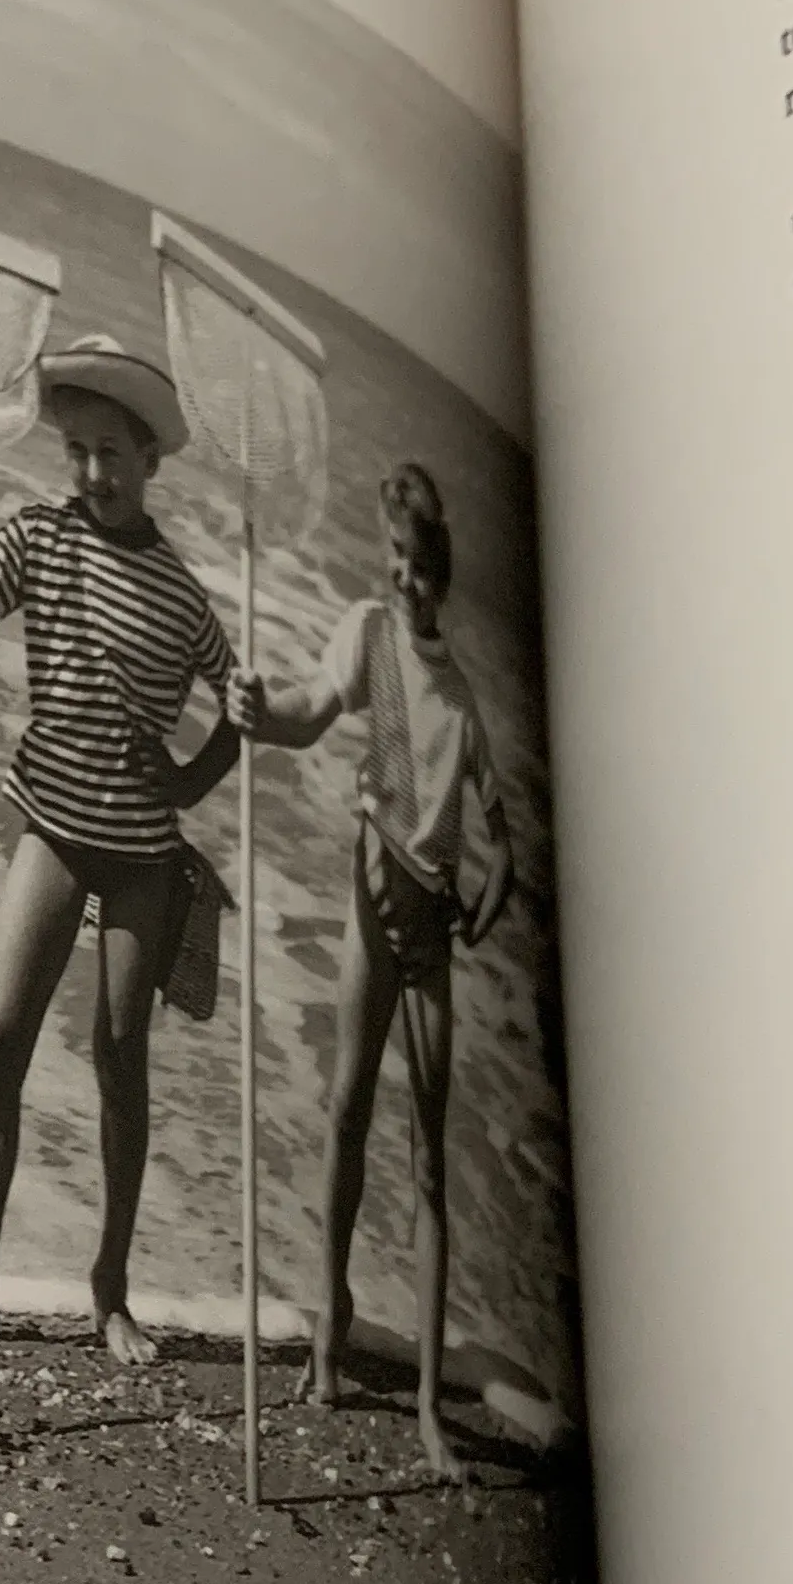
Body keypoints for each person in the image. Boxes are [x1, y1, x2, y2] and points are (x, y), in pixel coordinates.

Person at [0, 335, 239, 1364]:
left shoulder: (179, 593)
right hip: (53, 825)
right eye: (76, 450)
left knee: (120, 1059)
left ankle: (110, 1291)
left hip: (141, 854)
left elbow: (238, 703)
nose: (92, 472)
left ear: (149, 459)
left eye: (111, 453)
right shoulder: (39, 538)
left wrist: (191, 780)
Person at [229, 461, 513, 1483]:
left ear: (443, 575)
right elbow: (310, 709)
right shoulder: (365, 632)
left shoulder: (463, 703)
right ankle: (331, 1319)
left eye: (420, 565)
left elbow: (501, 842)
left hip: (428, 939)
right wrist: (259, 710)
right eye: (394, 556)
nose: (403, 577)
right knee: (347, 1107)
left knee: (429, 1165)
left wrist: (486, 900)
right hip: (368, 904)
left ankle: (430, 1406)